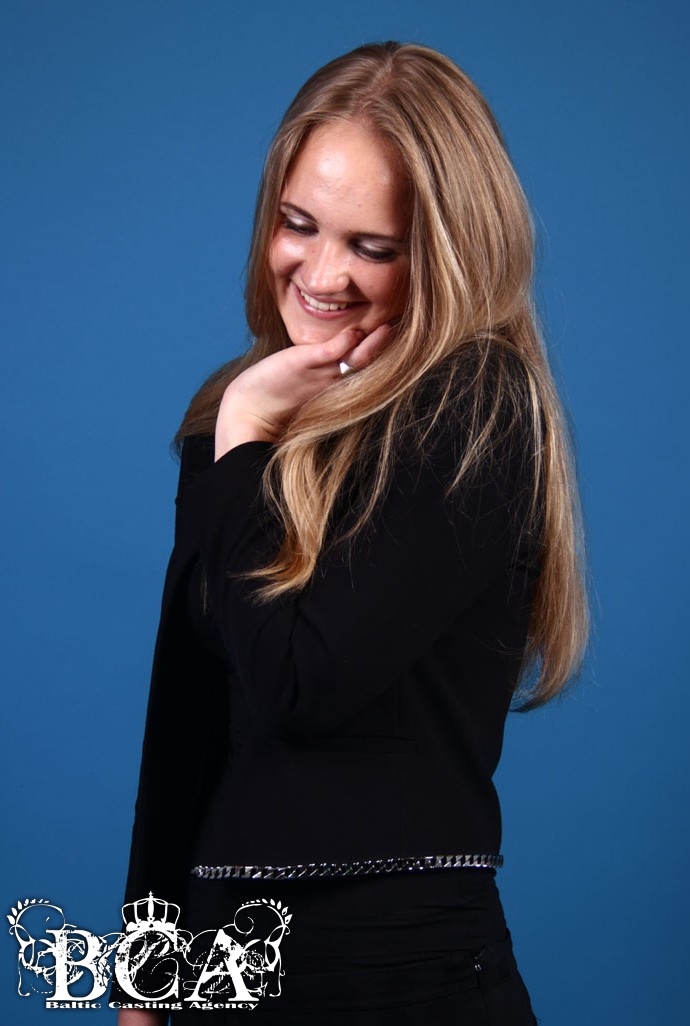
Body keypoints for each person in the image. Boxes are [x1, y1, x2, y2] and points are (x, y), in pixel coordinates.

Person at [115, 41, 588, 1026]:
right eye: (298, 225)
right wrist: (143, 975)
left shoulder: (477, 406)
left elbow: (301, 687)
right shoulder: (237, 419)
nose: (321, 273)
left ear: (447, 250)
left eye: (372, 246)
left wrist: (245, 435)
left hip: (398, 975)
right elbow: (186, 726)